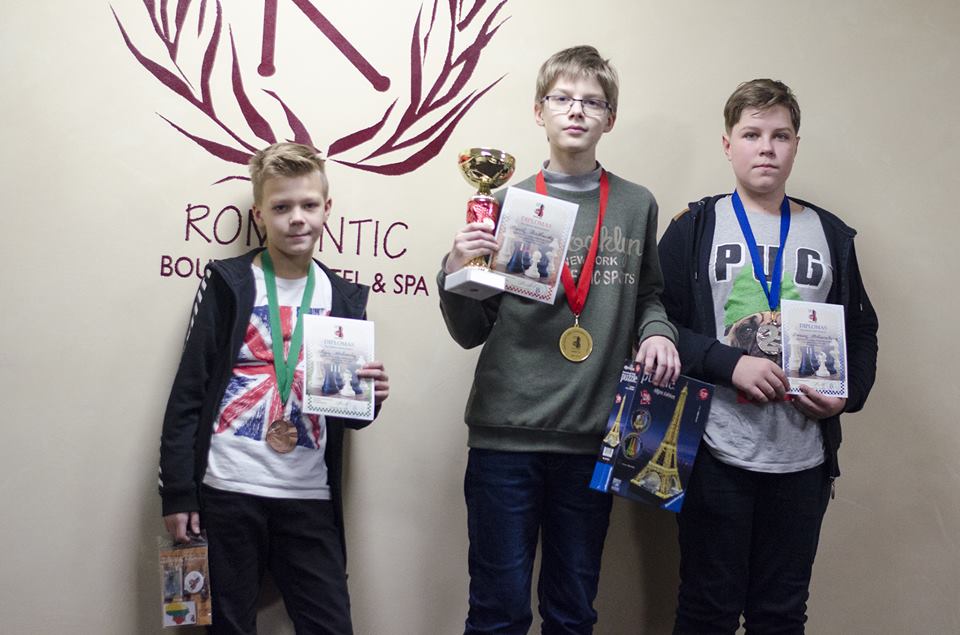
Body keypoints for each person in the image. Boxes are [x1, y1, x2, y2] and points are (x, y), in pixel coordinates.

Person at [438, 45, 680, 634]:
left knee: (572, 614)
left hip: (590, 437)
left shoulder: (635, 205)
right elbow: (470, 330)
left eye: (591, 102)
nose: (576, 111)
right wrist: (455, 267)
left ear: (610, 118)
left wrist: (658, 333)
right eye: (562, 99)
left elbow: (649, 295)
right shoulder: (503, 201)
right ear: (538, 111)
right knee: (497, 612)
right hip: (505, 437)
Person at [658, 79, 879, 634]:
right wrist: (728, 363)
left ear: (796, 146)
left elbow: (862, 330)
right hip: (714, 451)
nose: (766, 148)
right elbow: (656, 324)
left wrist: (845, 396)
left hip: (802, 460)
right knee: (706, 610)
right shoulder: (695, 227)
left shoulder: (829, 233)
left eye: (780, 136)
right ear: (727, 144)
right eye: (752, 134)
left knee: (780, 615)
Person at [159, 142, 390, 635]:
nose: (296, 219)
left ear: (327, 209)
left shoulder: (343, 297)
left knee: (330, 623)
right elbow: (188, 392)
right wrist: (178, 493)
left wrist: (370, 399)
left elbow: (345, 415)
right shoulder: (229, 282)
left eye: (309, 205)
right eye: (281, 207)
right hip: (227, 488)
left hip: (308, 492)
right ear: (259, 214)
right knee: (227, 626)